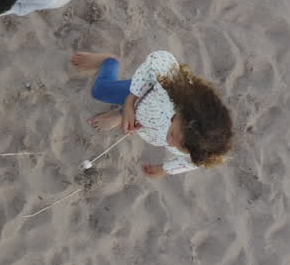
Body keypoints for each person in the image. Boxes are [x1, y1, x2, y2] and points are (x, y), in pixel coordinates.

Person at [71, 50, 233, 177]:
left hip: (147, 118)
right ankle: (109, 61)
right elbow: (158, 59)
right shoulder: (172, 90)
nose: (169, 144)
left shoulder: (198, 149)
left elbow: (192, 163)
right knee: (100, 91)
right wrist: (129, 103)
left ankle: (121, 115)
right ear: (184, 115)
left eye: (178, 147)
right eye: (172, 135)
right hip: (140, 95)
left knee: (134, 117)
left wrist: (164, 169)